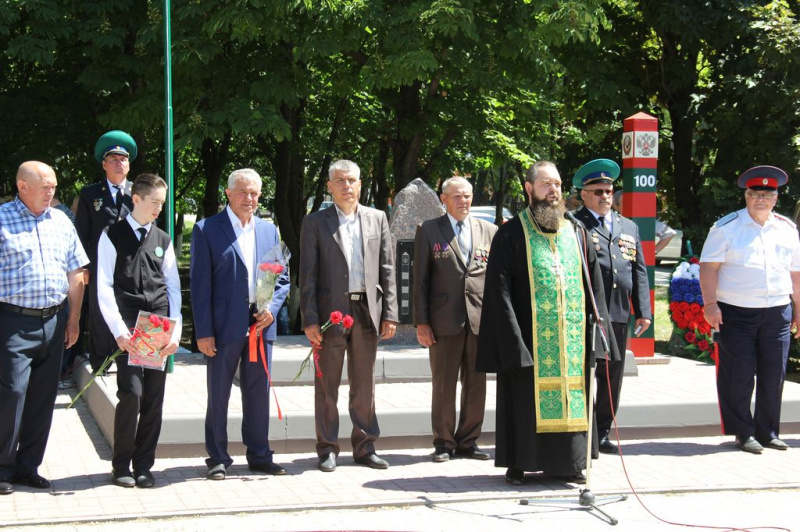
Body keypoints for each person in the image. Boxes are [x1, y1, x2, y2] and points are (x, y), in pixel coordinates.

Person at [476, 160, 619, 485]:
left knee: (573, 399)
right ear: (529, 189)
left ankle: (571, 464)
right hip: (528, 341)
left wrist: (600, 335)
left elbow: (594, 287)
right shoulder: (511, 233)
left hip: (572, 340)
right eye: (545, 184)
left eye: (556, 184)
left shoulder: (577, 232)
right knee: (524, 403)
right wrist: (513, 342)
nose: (553, 191)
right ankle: (519, 462)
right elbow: (498, 291)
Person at [299, 159, 398, 472]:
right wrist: (310, 319)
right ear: (329, 186)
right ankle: (327, 448)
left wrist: (390, 313)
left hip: (367, 312)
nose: (347, 186)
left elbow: (387, 269)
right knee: (327, 385)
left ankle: (365, 446)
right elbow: (308, 274)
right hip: (331, 315)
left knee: (364, 384)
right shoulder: (315, 222)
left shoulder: (377, 218)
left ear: (360, 183)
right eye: (340, 180)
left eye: (352, 180)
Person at [190, 168, 290, 480]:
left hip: (260, 324)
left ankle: (260, 455)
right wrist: (204, 332)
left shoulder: (269, 230)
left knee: (258, 392)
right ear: (228, 194)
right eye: (244, 192)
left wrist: (272, 308)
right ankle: (218, 457)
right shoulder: (207, 229)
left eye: (255, 193)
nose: (250, 199)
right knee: (219, 393)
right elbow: (200, 285)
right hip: (222, 327)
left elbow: (280, 276)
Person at [0, 161, 88, 495]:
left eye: (53, 185)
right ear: (23, 186)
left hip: (53, 320)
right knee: (12, 392)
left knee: (42, 396)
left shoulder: (61, 220)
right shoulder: (2, 219)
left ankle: (28, 467)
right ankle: (3, 467)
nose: (52, 191)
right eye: (45, 185)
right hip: (11, 320)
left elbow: (76, 272)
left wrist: (74, 317)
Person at [699, 165, 800, 454]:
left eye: (767, 194)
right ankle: (743, 432)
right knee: (739, 374)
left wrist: (798, 311)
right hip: (737, 312)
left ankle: (768, 431)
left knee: (774, 373)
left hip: (777, 311)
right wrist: (710, 305)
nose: (761, 199)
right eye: (755, 194)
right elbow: (709, 268)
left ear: (776, 198)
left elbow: (796, 274)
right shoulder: (726, 227)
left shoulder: (787, 228)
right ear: (746, 196)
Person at [96, 174, 181, 488]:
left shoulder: (163, 239)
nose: (160, 208)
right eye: (154, 201)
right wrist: (119, 331)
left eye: (162, 202)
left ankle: (144, 465)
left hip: (157, 324)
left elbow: (172, 288)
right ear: (136, 199)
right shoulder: (112, 235)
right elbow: (104, 287)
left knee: (153, 399)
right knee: (131, 393)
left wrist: (175, 333)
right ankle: (121, 466)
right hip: (130, 324)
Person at [412, 176, 496, 462]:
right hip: (443, 321)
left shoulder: (489, 230)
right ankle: (444, 442)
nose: (463, 201)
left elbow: (494, 280)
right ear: (443, 199)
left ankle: (469, 441)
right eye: (457, 197)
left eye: (468, 196)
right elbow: (420, 280)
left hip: (479, 320)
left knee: (476, 384)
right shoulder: (429, 230)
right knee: (444, 384)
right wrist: (421, 322)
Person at [572, 159, 651, 455]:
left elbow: (638, 269)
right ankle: (583, 431)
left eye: (609, 190)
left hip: (618, 312)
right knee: (584, 373)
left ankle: (602, 431)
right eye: (598, 191)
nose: (606, 196)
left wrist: (643, 310)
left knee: (611, 375)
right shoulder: (575, 223)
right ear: (584, 194)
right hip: (587, 312)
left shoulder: (627, 225)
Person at [75, 130, 136, 372]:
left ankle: (126, 358)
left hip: (129, 263)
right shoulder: (90, 194)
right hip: (99, 263)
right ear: (104, 164)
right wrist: (84, 267)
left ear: (129, 165)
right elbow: (82, 233)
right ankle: (101, 362)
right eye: (113, 160)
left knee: (127, 308)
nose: (119, 163)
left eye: (123, 160)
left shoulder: (138, 192)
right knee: (100, 311)